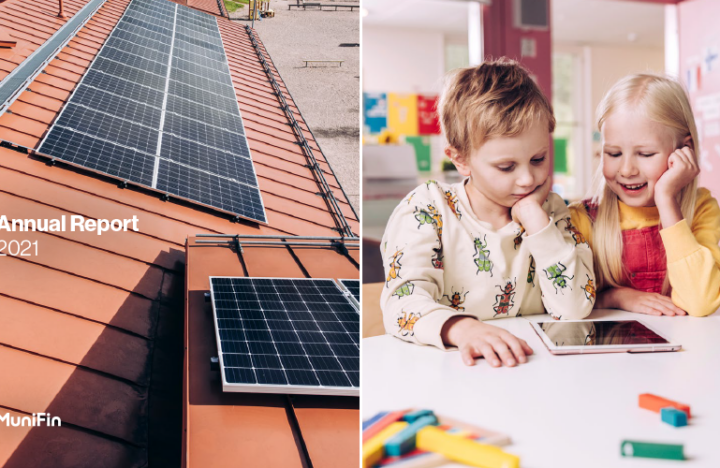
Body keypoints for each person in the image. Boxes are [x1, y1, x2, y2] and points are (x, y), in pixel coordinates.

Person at [380, 59, 595, 367]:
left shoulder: (550, 211)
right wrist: (462, 328)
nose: (527, 179)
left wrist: (536, 222)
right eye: (506, 167)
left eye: (538, 158)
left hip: (533, 370)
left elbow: (574, 309)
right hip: (453, 370)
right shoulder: (426, 209)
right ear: (460, 159)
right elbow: (402, 304)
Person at [569, 73, 720, 317]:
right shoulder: (582, 219)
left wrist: (666, 199)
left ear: (684, 149)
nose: (627, 170)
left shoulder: (702, 208)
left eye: (646, 154)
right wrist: (614, 297)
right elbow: (564, 300)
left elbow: (700, 302)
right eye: (614, 154)